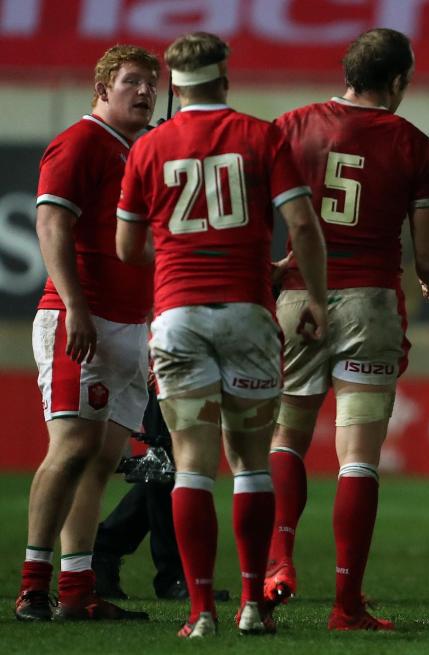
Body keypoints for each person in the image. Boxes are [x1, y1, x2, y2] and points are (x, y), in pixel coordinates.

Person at [115, 31, 328, 638]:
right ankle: (253, 608)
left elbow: (129, 247)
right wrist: (312, 295)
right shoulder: (262, 136)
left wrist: (186, 251)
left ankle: (201, 612)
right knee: (251, 463)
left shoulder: (150, 146)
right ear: (225, 79)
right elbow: (304, 228)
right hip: (247, 315)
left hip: (178, 315)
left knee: (191, 467)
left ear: (174, 87)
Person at [266, 27, 429, 631]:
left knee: (286, 438)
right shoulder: (412, 143)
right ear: (397, 81)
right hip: (368, 303)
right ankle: (347, 605)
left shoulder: (290, 126)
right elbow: (428, 260)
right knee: (358, 460)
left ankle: (278, 561)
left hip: (298, 297)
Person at [15, 44, 159, 623]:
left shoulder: (138, 150)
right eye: (131, 82)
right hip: (84, 318)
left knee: (101, 459)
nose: (145, 91)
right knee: (71, 448)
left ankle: (77, 591)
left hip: (129, 323)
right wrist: (74, 305)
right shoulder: (80, 142)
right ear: (102, 89)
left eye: (151, 82)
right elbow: (51, 221)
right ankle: (33, 587)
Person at [92, 386, 228, 602]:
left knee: (168, 464)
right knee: (168, 461)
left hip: (192, 367)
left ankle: (103, 550)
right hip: (165, 367)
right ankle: (174, 576)